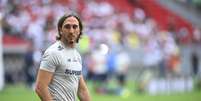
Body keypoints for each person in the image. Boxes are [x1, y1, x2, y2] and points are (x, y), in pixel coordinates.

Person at [35, 13, 91, 101]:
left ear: (79, 30)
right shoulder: (53, 52)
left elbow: (81, 89)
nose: (71, 31)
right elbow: (40, 87)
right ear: (60, 30)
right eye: (67, 27)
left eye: (75, 27)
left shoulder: (76, 55)